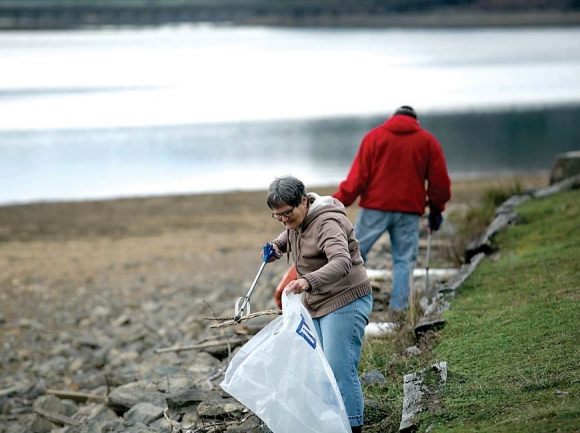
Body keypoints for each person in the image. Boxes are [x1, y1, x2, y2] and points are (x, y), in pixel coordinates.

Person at [264, 175, 372, 433]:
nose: (283, 220)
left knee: (340, 371)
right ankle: (334, 424)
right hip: (318, 303)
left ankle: (353, 426)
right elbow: (291, 231)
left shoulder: (329, 223)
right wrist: (278, 244)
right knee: (322, 371)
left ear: (303, 201)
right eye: (277, 215)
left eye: (287, 213)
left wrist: (307, 282)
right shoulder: (296, 219)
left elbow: (341, 262)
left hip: (346, 299)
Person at [333, 105, 451, 316]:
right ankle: (399, 310)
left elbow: (357, 179)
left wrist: (335, 203)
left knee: (354, 253)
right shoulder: (427, 141)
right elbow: (439, 183)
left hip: (374, 209)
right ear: (416, 120)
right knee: (404, 260)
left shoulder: (374, 137)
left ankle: (343, 302)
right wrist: (436, 211)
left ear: (392, 117)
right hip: (408, 212)